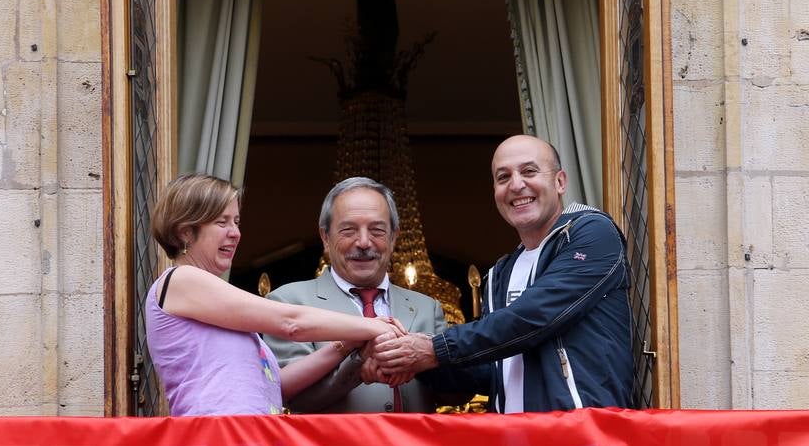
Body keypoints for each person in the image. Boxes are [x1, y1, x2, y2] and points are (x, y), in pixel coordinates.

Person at [369, 135, 634, 412]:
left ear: (560, 182)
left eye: (529, 171)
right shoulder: (501, 272)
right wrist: (412, 362)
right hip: (515, 442)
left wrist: (434, 348)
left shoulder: (592, 232)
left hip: (583, 438)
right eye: (503, 177)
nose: (517, 185)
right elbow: (491, 370)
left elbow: (532, 317)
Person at [145, 173, 402, 416]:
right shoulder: (181, 279)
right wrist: (372, 327)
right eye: (221, 222)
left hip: (247, 440)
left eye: (236, 222)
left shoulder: (212, 303)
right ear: (185, 232)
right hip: (217, 442)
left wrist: (345, 346)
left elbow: (277, 386)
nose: (235, 233)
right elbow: (290, 322)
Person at [262, 177, 449, 413]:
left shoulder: (427, 307)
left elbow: (457, 392)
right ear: (326, 238)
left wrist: (423, 360)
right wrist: (357, 366)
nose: (363, 242)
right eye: (348, 230)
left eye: (377, 230)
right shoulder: (288, 303)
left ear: (393, 238)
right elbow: (291, 396)